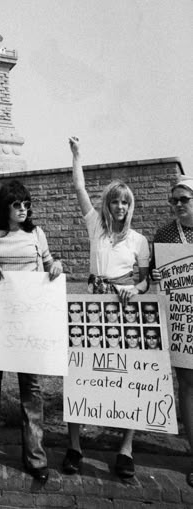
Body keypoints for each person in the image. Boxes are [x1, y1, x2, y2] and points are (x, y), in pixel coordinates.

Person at [63, 137, 150, 479]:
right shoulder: (95, 226)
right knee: (81, 370)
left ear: (131, 206)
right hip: (92, 304)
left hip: (124, 308)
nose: (120, 207)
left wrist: (135, 289)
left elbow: (145, 280)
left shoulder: (139, 240)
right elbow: (79, 186)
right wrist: (77, 155)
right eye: (115, 201)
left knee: (127, 374)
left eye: (125, 203)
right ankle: (74, 446)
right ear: (107, 205)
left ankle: (125, 449)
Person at [0, 180, 63, 482]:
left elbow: (51, 263)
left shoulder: (37, 234)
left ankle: (35, 456)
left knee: (31, 388)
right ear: (6, 207)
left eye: (26, 204)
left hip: (29, 324)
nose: (23, 209)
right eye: (17, 205)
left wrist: (56, 267)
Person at [151, 175, 193, 485]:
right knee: (187, 386)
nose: (178, 204)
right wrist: (154, 274)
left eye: (184, 199)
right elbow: (158, 275)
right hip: (182, 318)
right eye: (174, 200)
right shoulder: (165, 233)